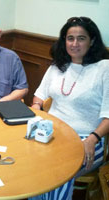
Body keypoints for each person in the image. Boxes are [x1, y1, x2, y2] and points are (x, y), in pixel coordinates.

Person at [31, 16, 109, 200]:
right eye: (70, 38)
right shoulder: (58, 66)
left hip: (89, 138)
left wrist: (92, 139)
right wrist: (36, 107)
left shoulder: (104, 68)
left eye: (81, 38)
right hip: (53, 132)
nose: (74, 43)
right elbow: (39, 95)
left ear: (92, 41)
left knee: (59, 169)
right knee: (30, 160)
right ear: (64, 40)